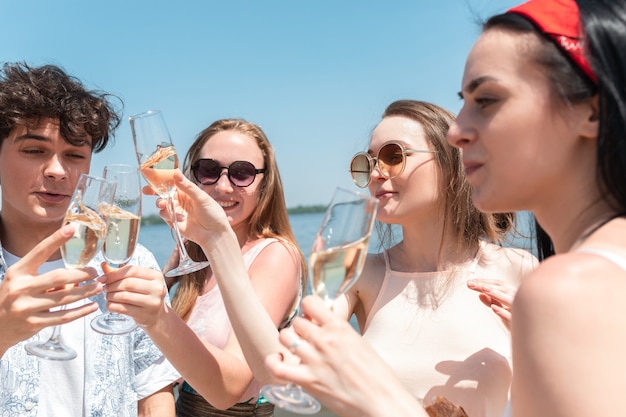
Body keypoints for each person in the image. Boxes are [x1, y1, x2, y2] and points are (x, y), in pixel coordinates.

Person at [264, 0, 626, 416]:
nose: (456, 132)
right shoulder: (586, 270)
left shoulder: (559, 282)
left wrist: (381, 400)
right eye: (368, 162)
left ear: (591, 111)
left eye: (487, 99)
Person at [0, 62, 179, 417]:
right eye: (34, 150)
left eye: (74, 155)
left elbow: (154, 390)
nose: (57, 170)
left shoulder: (131, 263)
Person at [101, 118, 305, 416]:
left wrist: (157, 316)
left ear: (264, 184)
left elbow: (231, 387)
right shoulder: (194, 254)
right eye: (209, 170)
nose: (223, 186)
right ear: (193, 176)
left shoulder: (274, 256)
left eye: (242, 174)